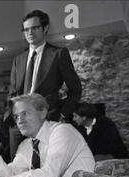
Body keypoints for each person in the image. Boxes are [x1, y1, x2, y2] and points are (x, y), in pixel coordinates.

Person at [5, 9, 82, 160]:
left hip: (45, 120)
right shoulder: (18, 59)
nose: (30, 32)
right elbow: (13, 92)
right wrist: (9, 116)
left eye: (35, 28)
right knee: (17, 168)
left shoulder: (58, 54)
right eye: (26, 29)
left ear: (45, 28)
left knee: (43, 168)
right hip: (18, 123)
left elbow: (75, 89)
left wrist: (61, 114)